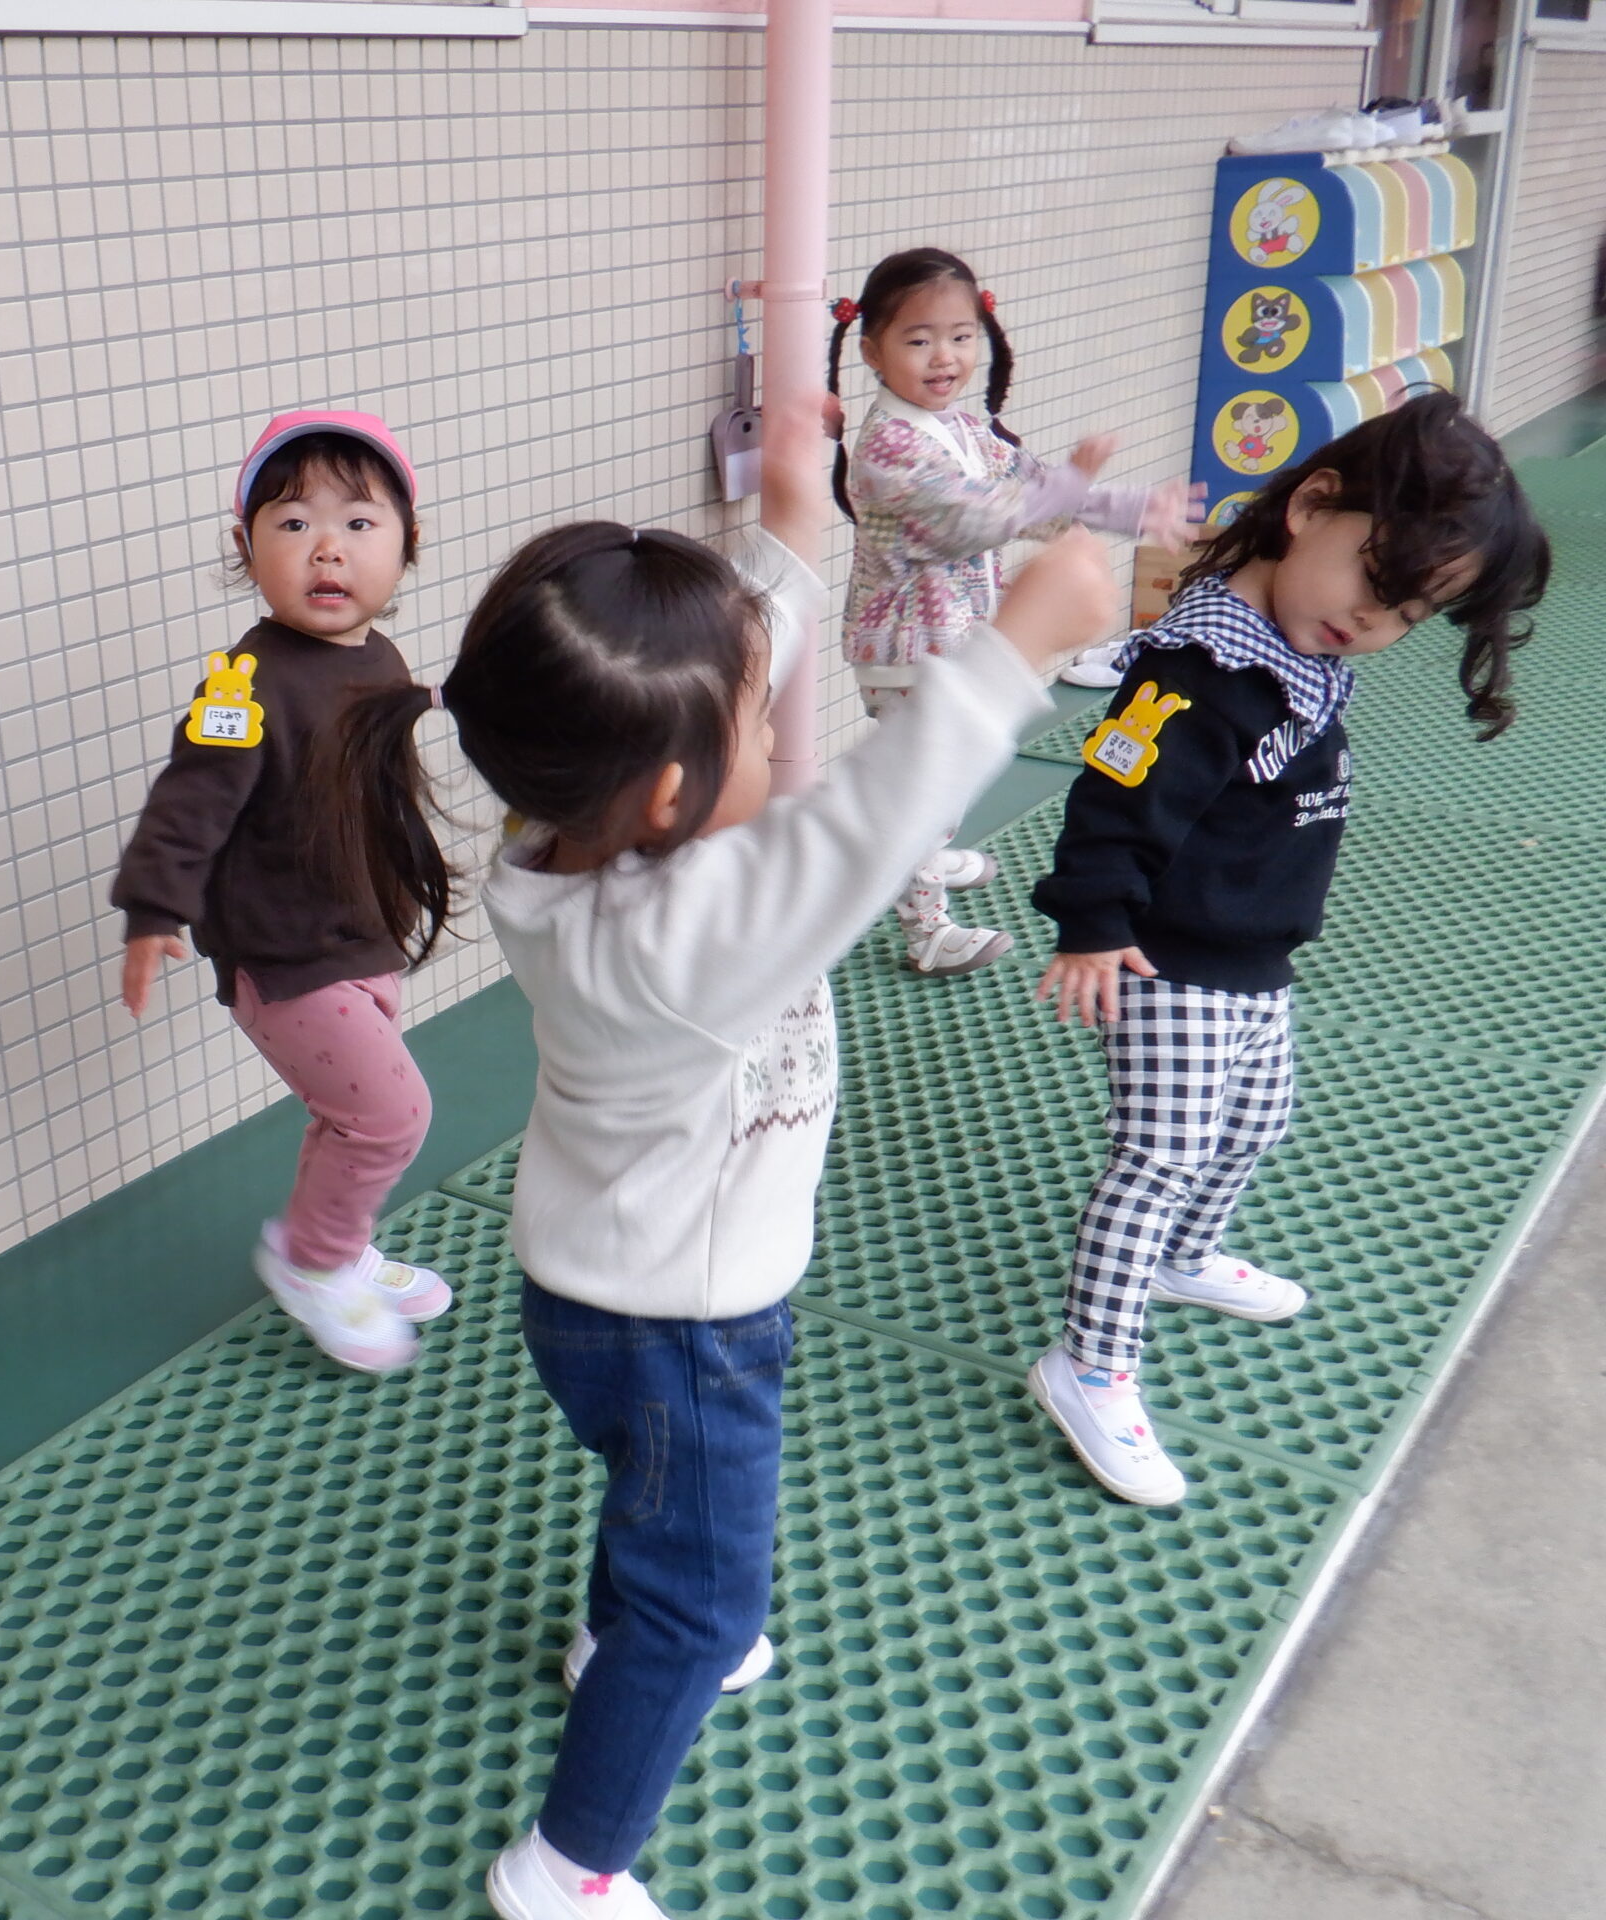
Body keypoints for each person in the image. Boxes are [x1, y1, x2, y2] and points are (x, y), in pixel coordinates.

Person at [311, 393, 1119, 1919]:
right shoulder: (695, 933)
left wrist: (792, 527)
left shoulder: (559, 845)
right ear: (676, 792)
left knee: (655, 1500)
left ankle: (614, 1632)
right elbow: (874, 820)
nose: (772, 734)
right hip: (684, 1325)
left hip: (597, 1292)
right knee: (704, 1600)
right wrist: (1020, 644)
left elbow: (705, 664)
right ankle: (570, 1867)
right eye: (758, 726)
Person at [1028, 390, 1550, 1506]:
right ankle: (1091, 1364)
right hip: (1168, 959)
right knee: (1158, 1157)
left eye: (1409, 612)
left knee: (1257, 1120)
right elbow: (1115, 789)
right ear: (1311, 506)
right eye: (1375, 580)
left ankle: (1181, 1257)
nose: (1374, 622)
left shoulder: (1293, 647)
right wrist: (1092, 923)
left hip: (1254, 955)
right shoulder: (1201, 668)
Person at [109, 411, 453, 1375]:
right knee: (390, 1116)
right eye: (294, 524)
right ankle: (313, 1261)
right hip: (286, 956)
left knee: (346, 1114)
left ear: (408, 544)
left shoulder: (379, 661)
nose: (326, 548)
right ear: (246, 548)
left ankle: (337, 1242)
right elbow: (188, 803)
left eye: (358, 523)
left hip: (359, 933)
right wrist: (154, 908)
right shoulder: (244, 686)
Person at [829, 247, 1199, 975]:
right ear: (872, 352)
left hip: (955, 638)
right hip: (906, 649)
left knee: (956, 768)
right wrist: (1070, 486)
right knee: (924, 788)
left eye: (960, 336)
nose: (945, 356)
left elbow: (1035, 492)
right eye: (919, 340)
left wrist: (1130, 508)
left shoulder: (965, 428)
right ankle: (927, 930)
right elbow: (980, 520)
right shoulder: (887, 448)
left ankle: (928, 853)